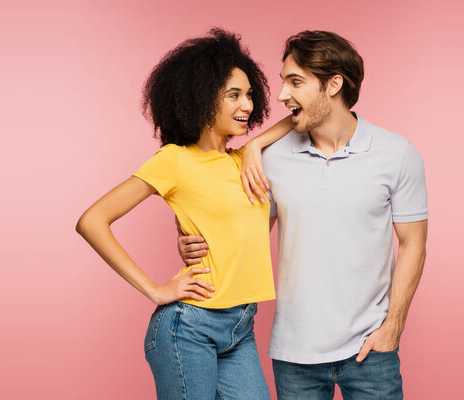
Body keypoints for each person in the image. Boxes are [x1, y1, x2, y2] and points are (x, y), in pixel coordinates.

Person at [178, 30, 428, 400]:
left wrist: (393, 327)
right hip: (294, 355)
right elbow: (244, 230)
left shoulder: (396, 153)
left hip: (371, 349)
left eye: (295, 82)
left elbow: (413, 246)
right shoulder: (274, 157)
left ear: (334, 84)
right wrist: (192, 241)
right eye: (283, 83)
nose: (281, 95)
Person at [76, 28, 293, 400]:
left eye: (250, 95)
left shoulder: (246, 161)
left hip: (241, 325)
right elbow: (92, 221)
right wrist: (156, 291)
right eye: (234, 96)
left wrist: (256, 143)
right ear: (202, 98)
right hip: (189, 327)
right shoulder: (175, 161)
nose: (248, 106)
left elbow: (302, 117)